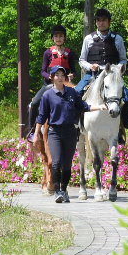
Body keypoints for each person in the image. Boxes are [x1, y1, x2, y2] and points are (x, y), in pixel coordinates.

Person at [34, 65, 106, 203]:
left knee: (67, 165)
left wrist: (101, 106)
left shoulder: (72, 93)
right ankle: (58, 192)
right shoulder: (47, 95)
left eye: (62, 75)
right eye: (57, 75)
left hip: (70, 132)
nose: (60, 78)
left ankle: (64, 190)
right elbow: (41, 117)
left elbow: (84, 107)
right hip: (54, 132)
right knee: (56, 163)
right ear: (52, 77)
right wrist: (37, 134)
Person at [75, 8, 128, 145]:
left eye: (104, 20)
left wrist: (116, 68)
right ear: (96, 22)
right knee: (75, 94)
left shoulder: (117, 39)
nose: (101, 23)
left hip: (112, 77)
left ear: (109, 22)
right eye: (99, 20)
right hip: (92, 75)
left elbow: (123, 60)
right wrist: (90, 66)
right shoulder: (88, 39)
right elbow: (81, 60)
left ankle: (121, 128)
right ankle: (76, 126)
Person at [28, 24, 77, 139]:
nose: (58, 38)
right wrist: (49, 77)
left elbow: (74, 71)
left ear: (64, 38)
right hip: (49, 85)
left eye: (61, 36)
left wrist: (71, 75)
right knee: (34, 103)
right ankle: (31, 129)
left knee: (80, 101)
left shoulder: (69, 53)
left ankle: (78, 128)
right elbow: (42, 71)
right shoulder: (48, 53)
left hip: (65, 84)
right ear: (52, 38)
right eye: (56, 36)